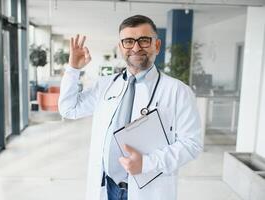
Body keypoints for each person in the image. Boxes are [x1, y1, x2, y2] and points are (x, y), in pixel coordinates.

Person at [58, 15, 202, 200]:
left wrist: (147, 163)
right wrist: (73, 70)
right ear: (120, 47)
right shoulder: (105, 85)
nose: (136, 48)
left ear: (156, 46)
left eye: (144, 40)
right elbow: (69, 109)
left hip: (149, 191)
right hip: (108, 187)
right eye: (128, 41)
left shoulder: (178, 91)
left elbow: (192, 144)